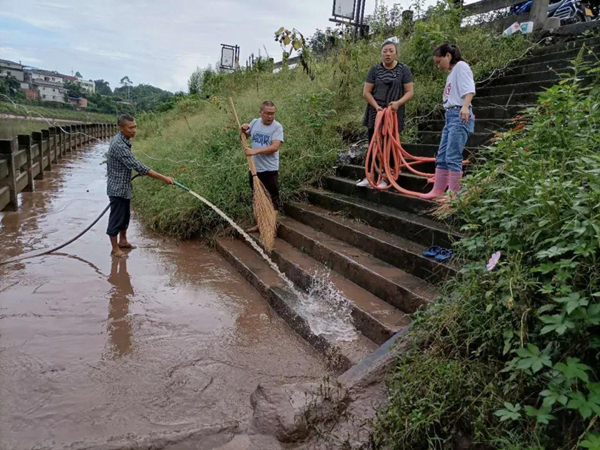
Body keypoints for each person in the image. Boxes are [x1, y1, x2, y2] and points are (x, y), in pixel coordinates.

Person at [106, 114, 174, 258]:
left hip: (124, 187)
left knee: (125, 217)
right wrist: (164, 178)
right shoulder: (118, 145)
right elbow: (137, 166)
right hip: (117, 189)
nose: (134, 130)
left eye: (135, 127)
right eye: (130, 128)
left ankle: (123, 241)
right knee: (116, 219)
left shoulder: (124, 140)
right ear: (121, 128)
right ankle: (115, 249)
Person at [357, 40, 414, 188]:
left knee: (390, 144)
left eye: (391, 51)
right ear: (381, 54)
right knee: (373, 144)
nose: (387, 54)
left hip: (394, 113)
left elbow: (409, 92)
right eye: (384, 51)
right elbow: (366, 92)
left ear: (396, 53)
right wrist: (376, 107)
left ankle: (387, 176)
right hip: (375, 112)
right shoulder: (374, 70)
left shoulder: (403, 70)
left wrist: (398, 103)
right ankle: (369, 176)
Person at [421, 44, 475, 200]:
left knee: (453, 154)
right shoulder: (452, 72)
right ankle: (438, 189)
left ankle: (454, 193)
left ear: (448, 56)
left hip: (459, 114)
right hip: (450, 115)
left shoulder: (461, 67)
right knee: (443, 154)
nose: (438, 66)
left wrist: (465, 106)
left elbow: (469, 88)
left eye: (439, 61)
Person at [240, 101, 284, 233]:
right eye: (267, 113)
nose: (270, 116)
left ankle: (270, 226)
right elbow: (243, 137)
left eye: (272, 114)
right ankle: (260, 224)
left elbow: (275, 147)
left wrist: (255, 151)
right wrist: (241, 130)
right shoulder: (254, 123)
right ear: (261, 113)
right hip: (254, 169)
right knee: (257, 198)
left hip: (270, 170)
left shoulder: (277, 127)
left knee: (272, 199)